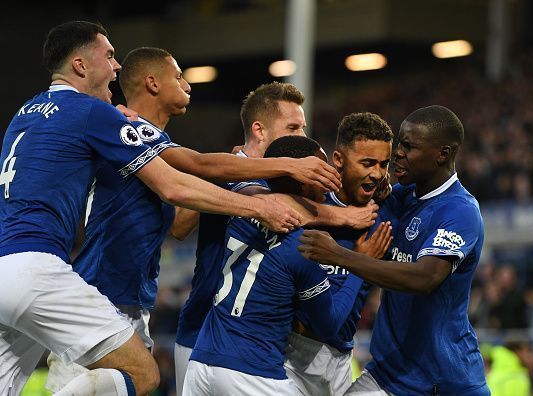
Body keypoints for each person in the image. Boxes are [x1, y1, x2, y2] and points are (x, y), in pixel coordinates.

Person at [0, 21, 302, 396]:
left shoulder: (25, 113)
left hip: (8, 269)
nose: (115, 66)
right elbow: (178, 181)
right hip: (50, 273)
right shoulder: (94, 114)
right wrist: (263, 202)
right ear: (80, 65)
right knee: (143, 375)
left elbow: (177, 218)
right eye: (109, 55)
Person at [43, 47, 345, 392]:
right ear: (153, 83)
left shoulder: (153, 142)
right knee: (131, 380)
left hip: (134, 299)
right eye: (179, 76)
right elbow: (199, 168)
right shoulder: (124, 127)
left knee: (136, 382)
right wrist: (285, 178)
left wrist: (230, 175)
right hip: (106, 296)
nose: (188, 85)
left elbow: (179, 223)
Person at [172, 83, 378, 392]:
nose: (301, 137)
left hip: (241, 342)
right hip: (206, 330)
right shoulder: (240, 177)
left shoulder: (244, 173)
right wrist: (342, 215)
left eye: (302, 128)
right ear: (259, 130)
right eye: (292, 128)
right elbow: (269, 206)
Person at [298, 105, 490, 395]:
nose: (398, 153)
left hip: (445, 382)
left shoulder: (459, 210)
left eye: (409, 147)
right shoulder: (399, 197)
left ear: (442, 154)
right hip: (387, 374)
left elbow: (424, 278)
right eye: (400, 143)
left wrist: (341, 256)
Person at [284, 112, 397, 396]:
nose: (377, 173)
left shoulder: (385, 212)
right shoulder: (310, 202)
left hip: (342, 358)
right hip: (292, 357)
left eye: (384, 164)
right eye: (367, 163)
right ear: (338, 160)